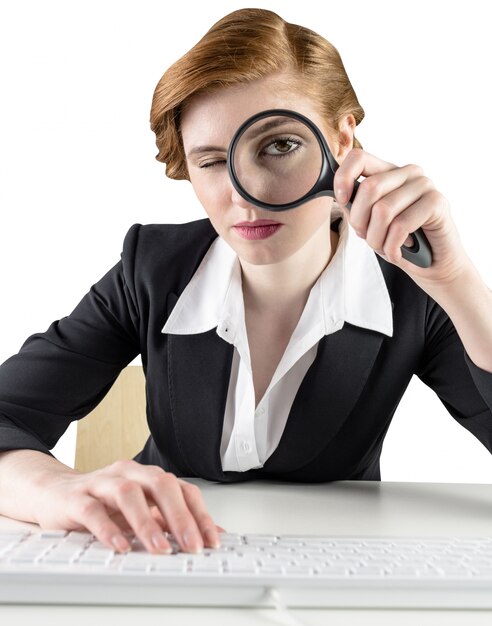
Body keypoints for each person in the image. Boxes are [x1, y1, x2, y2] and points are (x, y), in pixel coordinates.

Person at [0, 8, 491, 558]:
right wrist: (56, 488)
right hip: (162, 557)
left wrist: (456, 280)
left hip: (340, 564)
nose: (246, 192)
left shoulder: (410, 288)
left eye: (279, 146)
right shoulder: (152, 269)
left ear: (342, 138)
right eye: (210, 161)